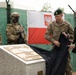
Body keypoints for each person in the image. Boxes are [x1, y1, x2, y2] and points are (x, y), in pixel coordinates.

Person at [45, 9, 74, 75]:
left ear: (62, 15)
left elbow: (73, 35)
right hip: (55, 48)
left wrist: (68, 36)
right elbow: (46, 35)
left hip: (64, 49)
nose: (56, 18)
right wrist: (54, 41)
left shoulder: (67, 25)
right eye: (55, 16)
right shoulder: (51, 24)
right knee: (55, 66)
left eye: (58, 16)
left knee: (67, 67)